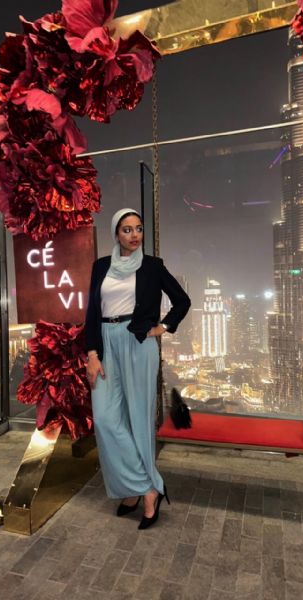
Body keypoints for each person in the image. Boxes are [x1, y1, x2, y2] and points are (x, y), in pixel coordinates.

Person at [85, 208, 191, 529]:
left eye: (138, 228)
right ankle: (145, 486)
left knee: (139, 420)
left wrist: (163, 327)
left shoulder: (152, 266)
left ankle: (138, 491)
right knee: (105, 419)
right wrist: (92, 353)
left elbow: (182, 301)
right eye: (127, 229)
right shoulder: (101, 266)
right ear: (116, 234)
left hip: (137, 341)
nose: (134, 235)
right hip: (105, 342)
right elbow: (92, 312)